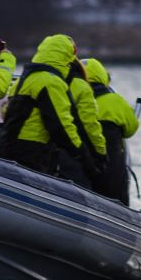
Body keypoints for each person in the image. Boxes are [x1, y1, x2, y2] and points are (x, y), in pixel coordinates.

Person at [0, 34, 88, 175]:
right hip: (33, 149)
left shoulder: (22, 80)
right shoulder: (52, 82)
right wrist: (82, 154)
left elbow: (6, 111)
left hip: (8, 145)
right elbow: (60, 124)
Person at [83, 58, 140, 205]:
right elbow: (131, 128)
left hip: (83, 167)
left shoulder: (75, 98)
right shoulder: (115, 100)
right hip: (111, 168)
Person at [57, 57, 107, 188]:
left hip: (48, 147)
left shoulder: (44, 80)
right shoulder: (82, 87)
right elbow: (89, 124)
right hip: (76, 148)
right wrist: (101, 152)